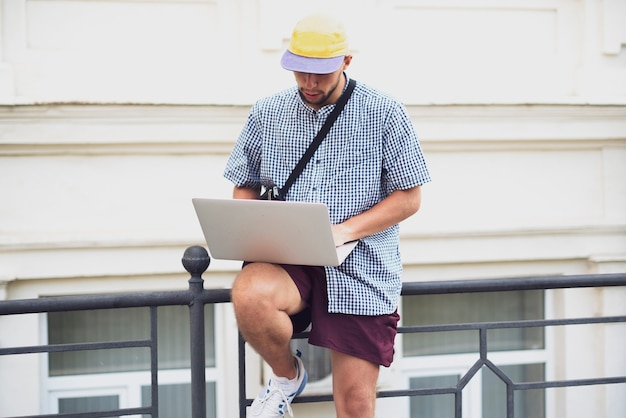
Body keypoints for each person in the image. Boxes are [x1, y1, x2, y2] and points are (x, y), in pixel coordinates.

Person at [223, 13, 431, 418]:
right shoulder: (266, 113)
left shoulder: (386, 112)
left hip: (361, 267)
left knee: (355, 406)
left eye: (320, 73)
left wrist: (343, 231)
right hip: (289, 256)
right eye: (300, 71)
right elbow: (244, 182)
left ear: (346, 62)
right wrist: (248, 228)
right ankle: (286, 377)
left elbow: (409, 198)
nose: (309, 83)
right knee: (249, 296)